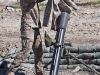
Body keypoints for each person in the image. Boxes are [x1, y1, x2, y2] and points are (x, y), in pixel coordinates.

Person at [6, 0, 78, 75]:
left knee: (39, 51)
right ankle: (11, 70)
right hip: (28, 26)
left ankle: (39, 72)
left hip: (35, 26)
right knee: (26, 49)